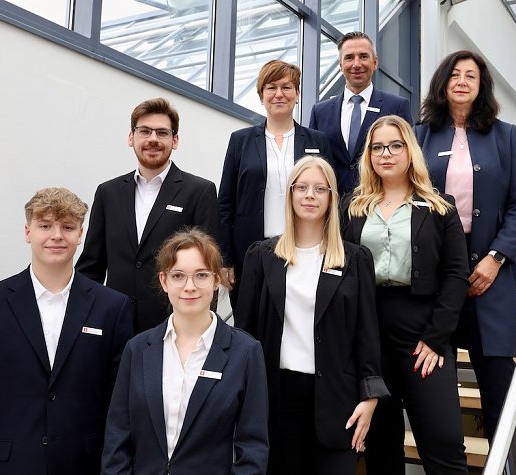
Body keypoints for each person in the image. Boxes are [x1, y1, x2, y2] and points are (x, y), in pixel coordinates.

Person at [0, 188, 133, 475]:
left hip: (83, 465)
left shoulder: (112, 307)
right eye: (45, 225)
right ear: (28, 232)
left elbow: (120, 404)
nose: (56, 235)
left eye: (67, 227)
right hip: (5, 467)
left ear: (81, 234)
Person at [236, 156, 388, 475]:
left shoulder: (355, 260)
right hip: (277, 401)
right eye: (302, 187)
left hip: (338, 401)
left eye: (320, 189)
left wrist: (370, 397)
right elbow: (245, 334)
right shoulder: (261, 256)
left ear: (332, 197)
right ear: (290, 194)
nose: (310, 195)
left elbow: (367, 334)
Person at [341, 115, 470, 474]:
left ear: (410, 151)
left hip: (424, 335)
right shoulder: (352, 207)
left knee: (442, 443)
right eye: (377, 147)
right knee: (381, 447)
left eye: (395, 145)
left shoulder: (439, 206)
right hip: (368, 333)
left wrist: (437, 337)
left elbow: (456, 273)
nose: (386, 154)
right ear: (368, 155)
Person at [415, 50, 516, 443]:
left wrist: (496, 258)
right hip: (436, 269)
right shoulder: (420, 135)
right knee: (435, 381)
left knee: (497, 380)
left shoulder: (505, 135)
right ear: (443, 83)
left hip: (491, 270)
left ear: (481, 87)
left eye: (472, 76)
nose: (463, 81)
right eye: (455, 75)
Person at [102, 229, 269, 474]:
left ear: (216, 281)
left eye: (201, 275)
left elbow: (253, 448)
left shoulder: (245, 352)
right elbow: (117, 437)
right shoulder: (137, 349)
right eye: (178, 276)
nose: (189, 286)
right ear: (163, 281)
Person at [77, 97, 219, 334]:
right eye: (145, 131)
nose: (153, 139)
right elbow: (92, 265)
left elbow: (208, 268)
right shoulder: (108, 193)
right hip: (114, 327)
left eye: (162, 133)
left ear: (175, 141)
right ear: (131, 137)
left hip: (173, 328)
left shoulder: (200, 191)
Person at [218, 60, 332, 308]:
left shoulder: (318, 141)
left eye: (287, 87)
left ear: (297, 94)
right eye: (271, 87)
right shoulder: (241, 141)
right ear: (261, 95)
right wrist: (225, 259)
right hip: (251, 252)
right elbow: (225, 202)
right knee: (251, 327)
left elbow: (331, 198)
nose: (279, 94)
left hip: (306, 252)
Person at [309, 31, 412, 195]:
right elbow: (312, 163)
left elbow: (409, 158)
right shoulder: (320, 111)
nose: (356, 64)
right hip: (333, 208)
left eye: (363, 56)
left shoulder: (397, 106)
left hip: (380, 202)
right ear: (340, 65)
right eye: (349, 57)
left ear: (375, 62)